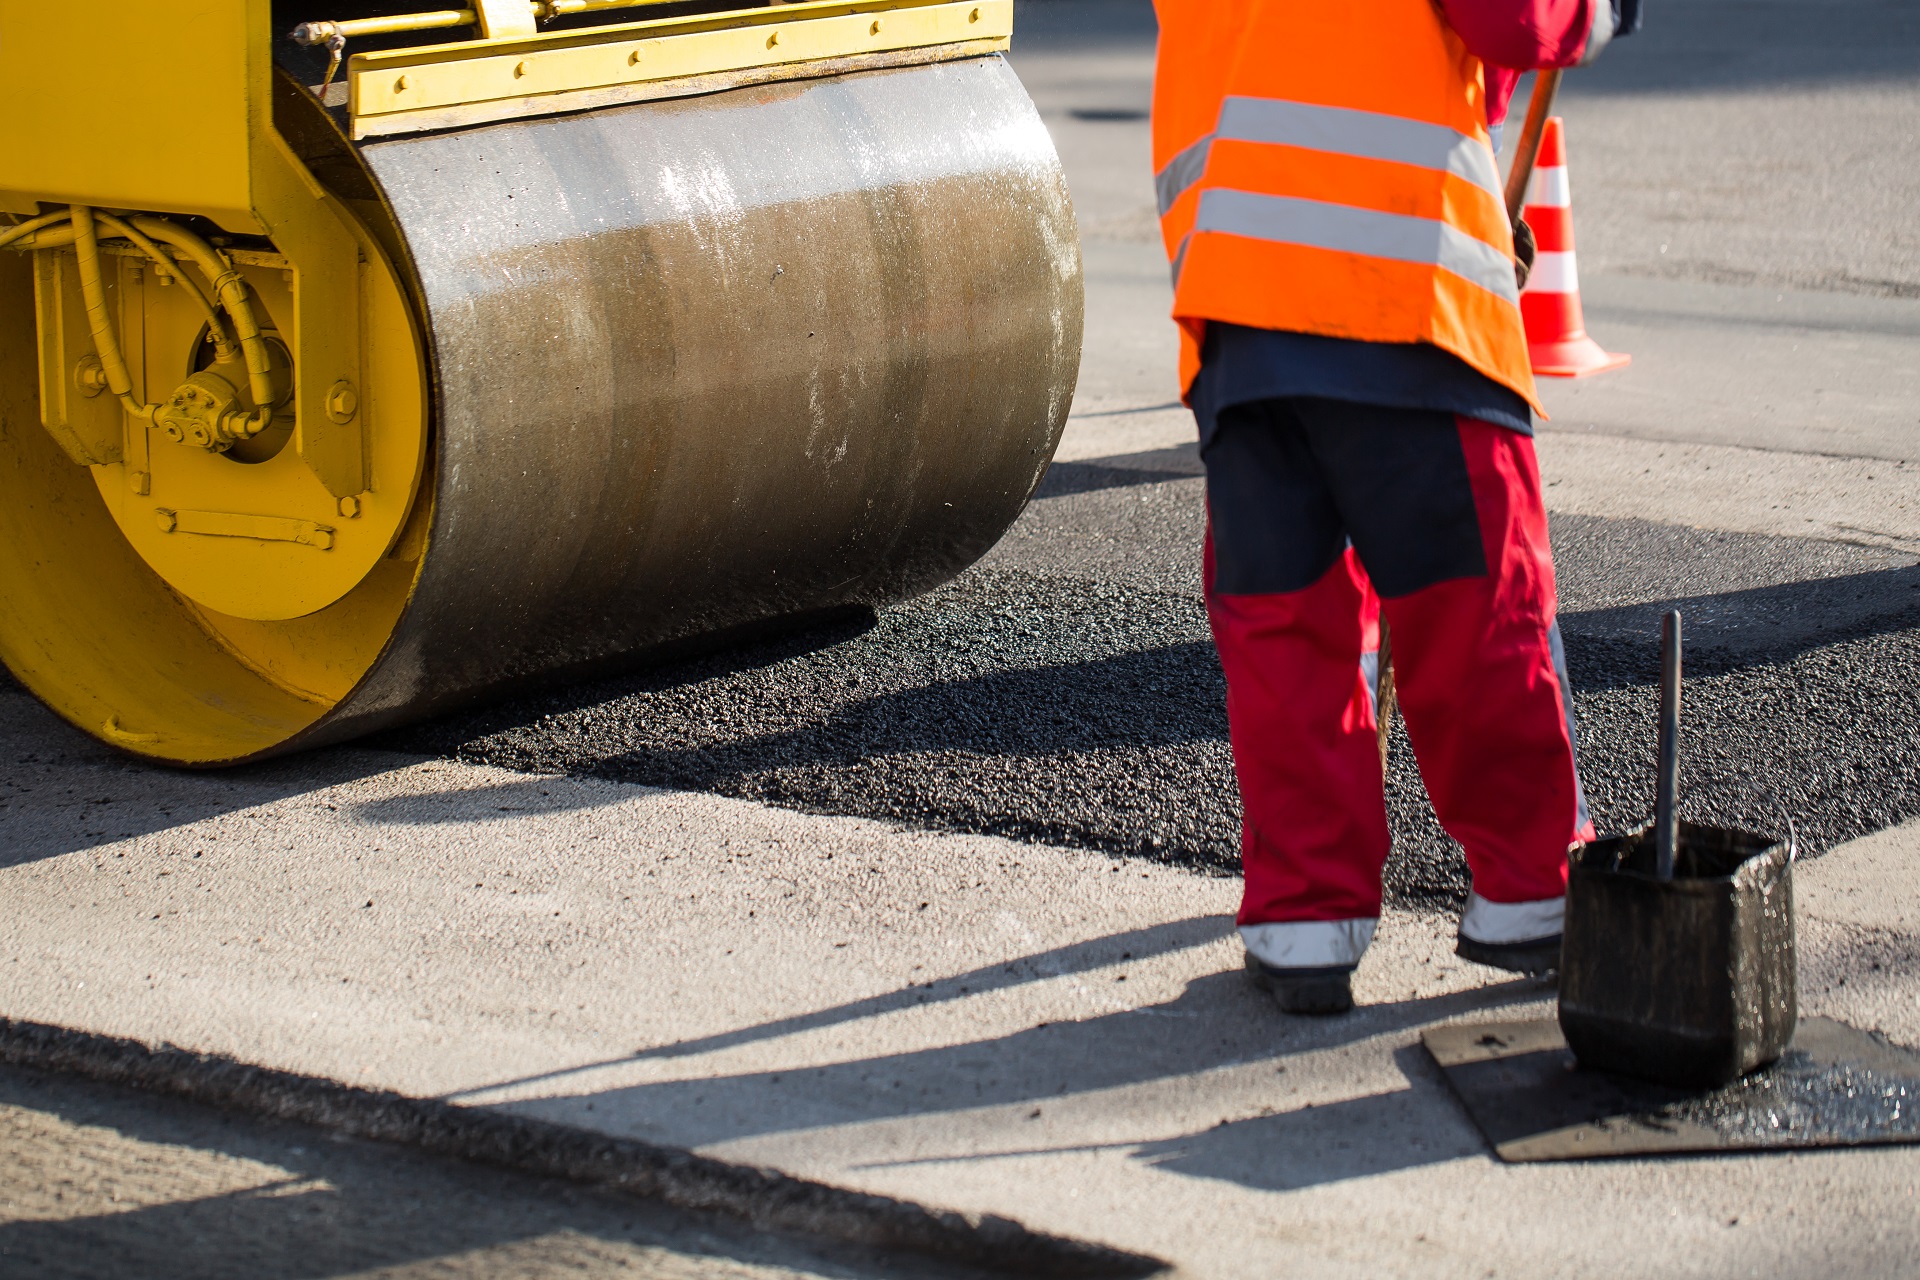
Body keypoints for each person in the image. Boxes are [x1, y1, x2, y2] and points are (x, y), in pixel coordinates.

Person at [1152, 0, 1636, 1014]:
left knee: (1286, 629)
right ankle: (1533, 885)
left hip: (1238, 309)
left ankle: (1302, 920)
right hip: (1402, 296)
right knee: (1477, 608)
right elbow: (1512, 16)